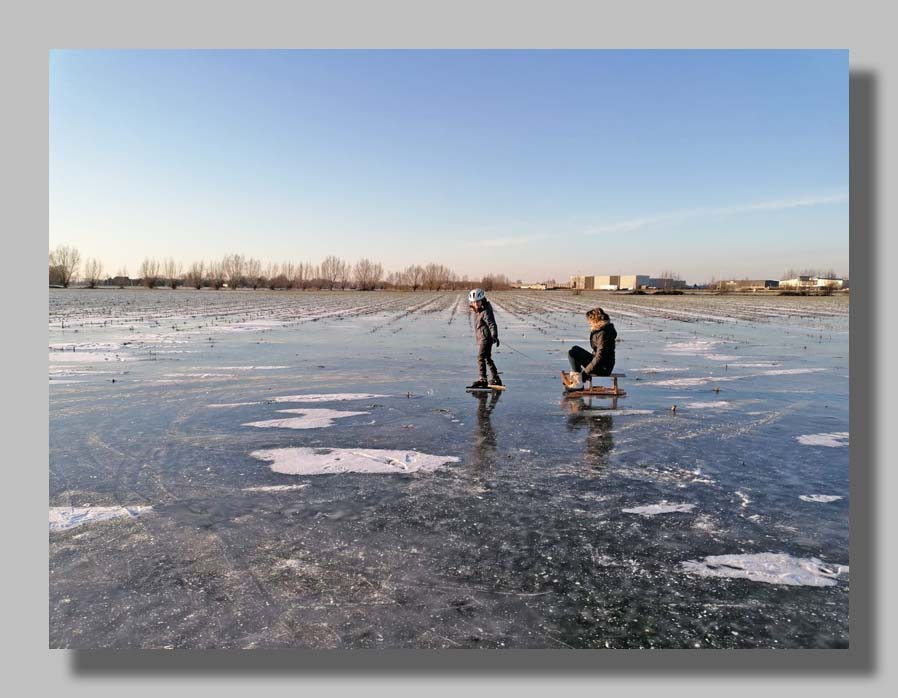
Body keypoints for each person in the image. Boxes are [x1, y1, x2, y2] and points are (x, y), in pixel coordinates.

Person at [563, 307, 617, 390]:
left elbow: (600, 356)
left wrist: (586, 372)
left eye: (590, 320)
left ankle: (578, 384)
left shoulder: (603, 333)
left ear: (596, 320)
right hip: (603, 364)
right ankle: (577, 378)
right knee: (575, 348)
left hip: (603, 368)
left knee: (572, 353)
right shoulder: (601, 330)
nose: (589, 323)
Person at [467, 288, 502, 389]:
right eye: (473, 302)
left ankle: (483, 379)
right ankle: (496, 378)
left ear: (482, 300)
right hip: (483, 337)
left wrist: (494, 335)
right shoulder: (479, 310)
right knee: (487, 358)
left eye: (477, 301)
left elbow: (491, 323)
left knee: (480, 357)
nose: (475, 304)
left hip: (486, 338)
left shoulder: (486, 310)